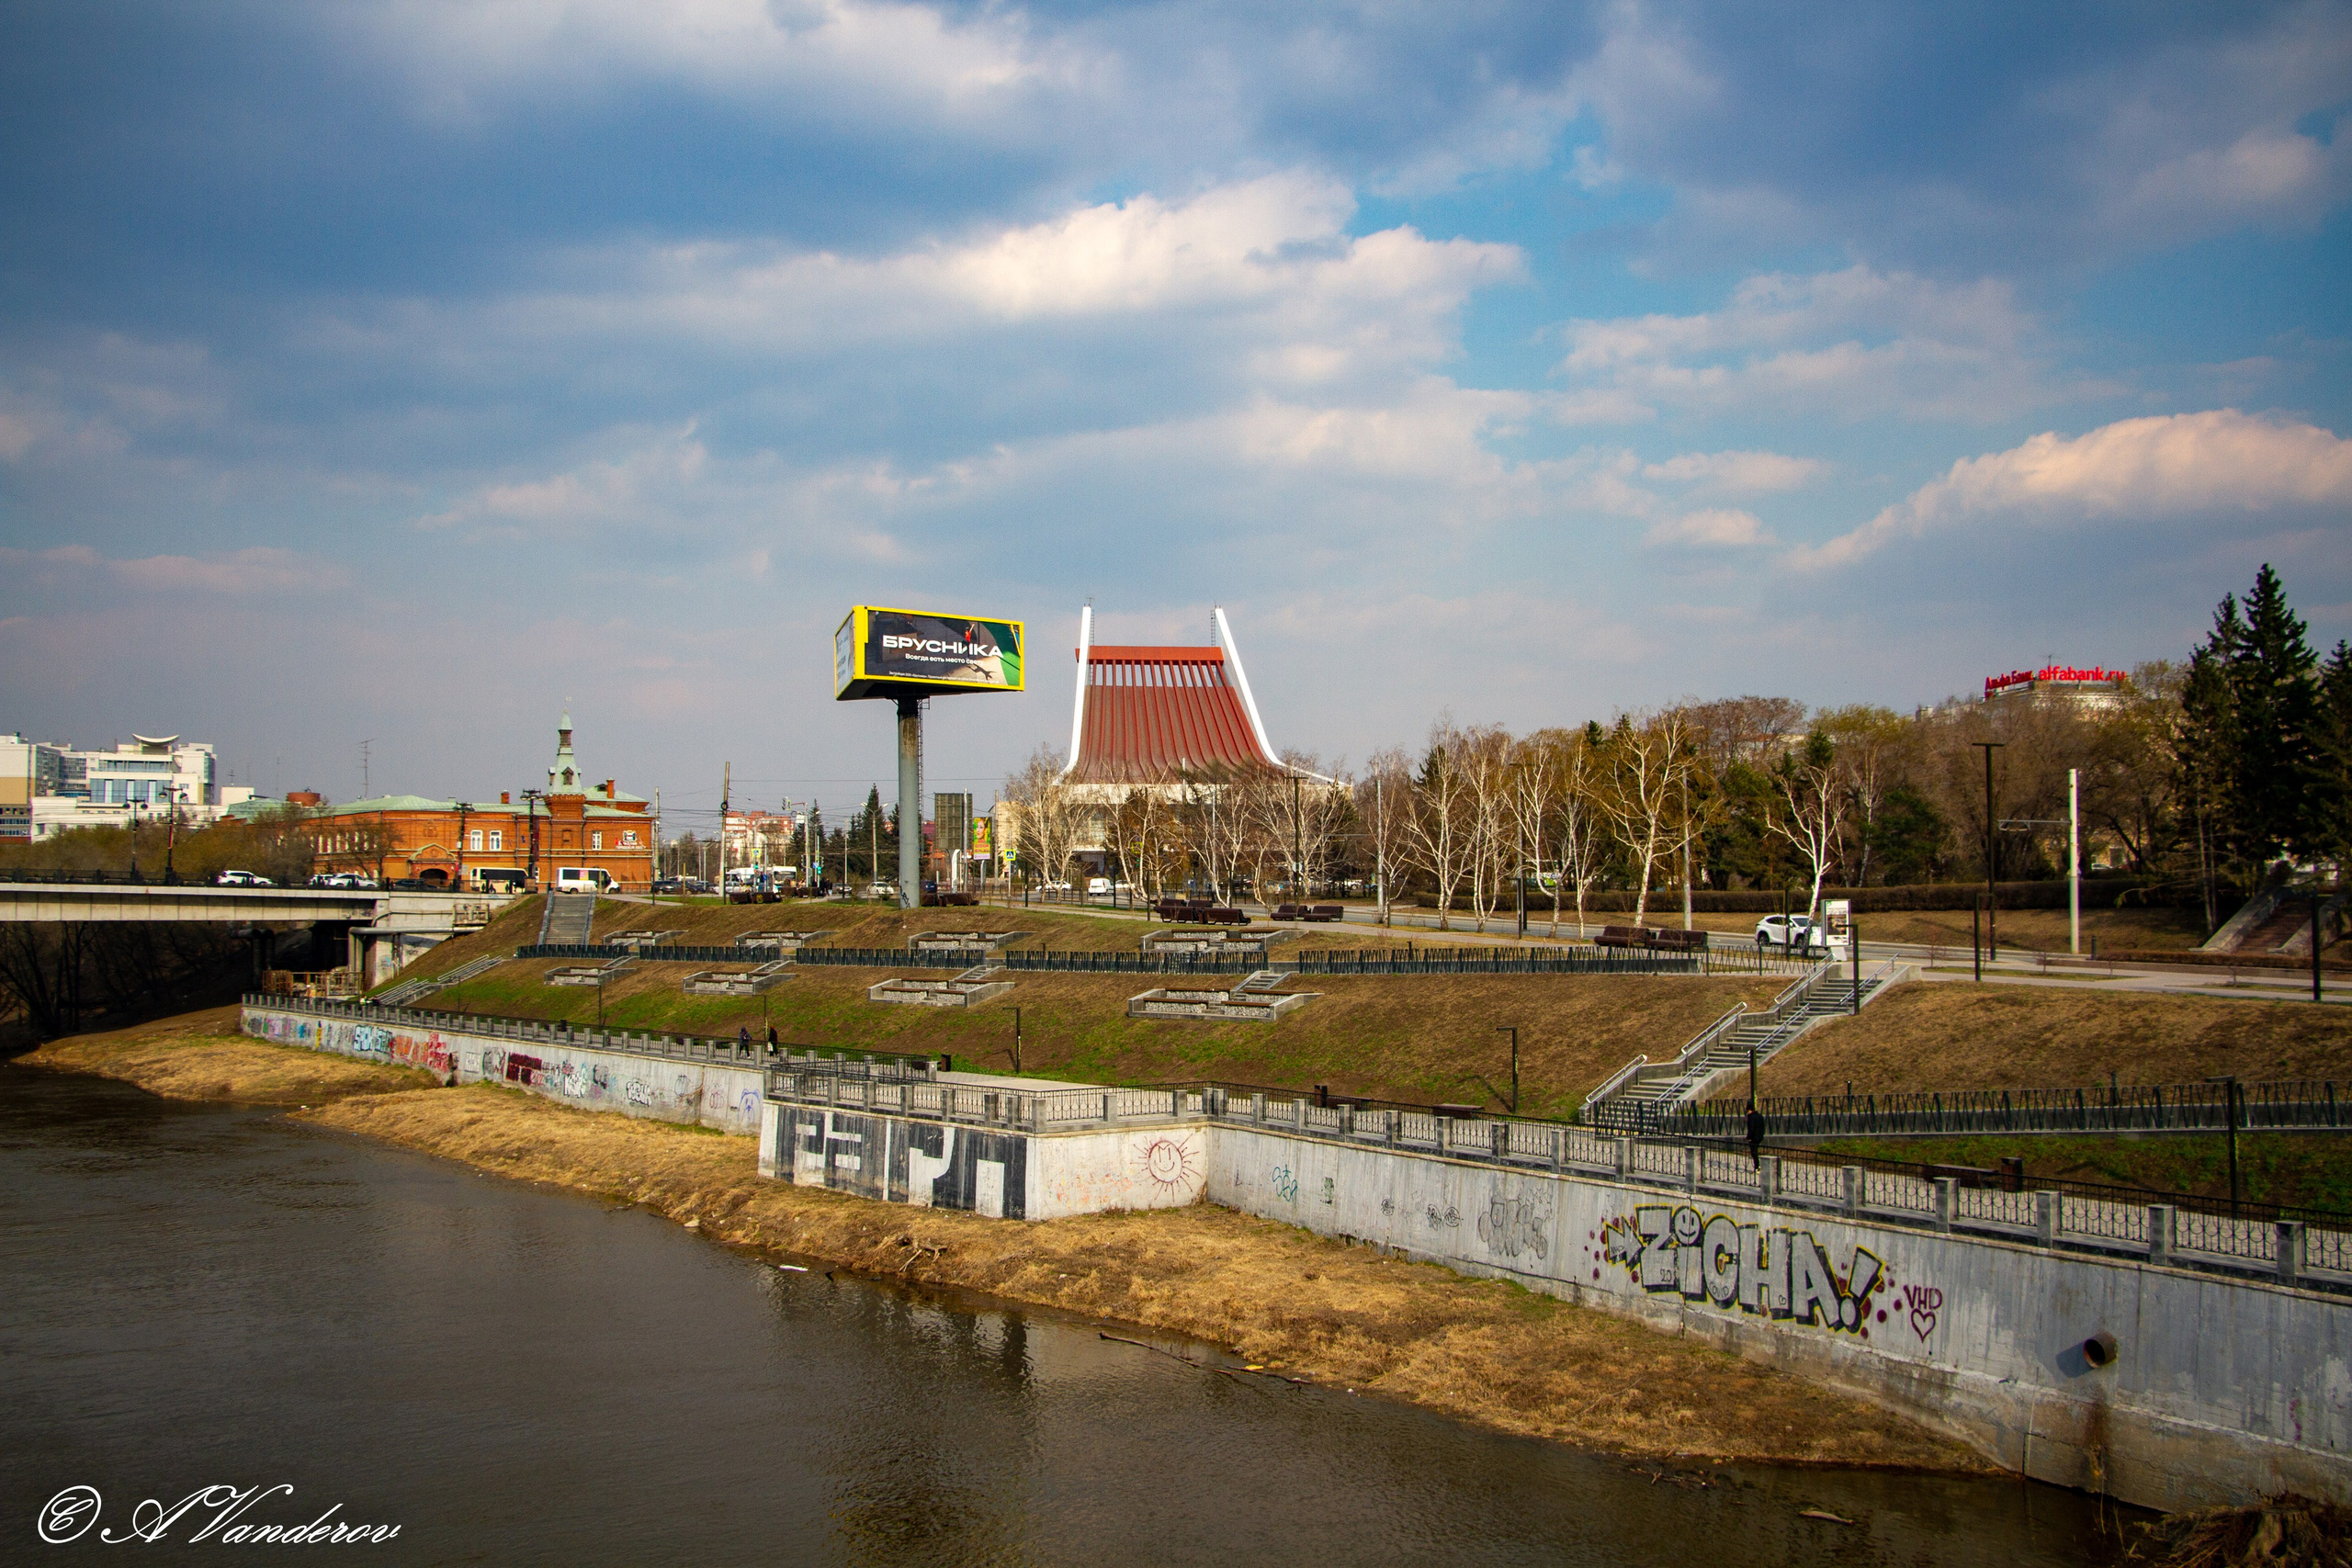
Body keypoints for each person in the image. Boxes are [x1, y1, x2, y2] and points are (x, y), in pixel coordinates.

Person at [1745, 1101, 1766, 1168]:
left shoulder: (1751, 1118)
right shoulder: (1760, 1116)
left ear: (1749, 1110)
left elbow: (1751, 1128)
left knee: (1754, 1152)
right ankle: (1757, 1165)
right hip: (1759, 1136)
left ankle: (1757, 1166)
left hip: (1753, 1138)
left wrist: (1749, 1137)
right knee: (1755, 1151)